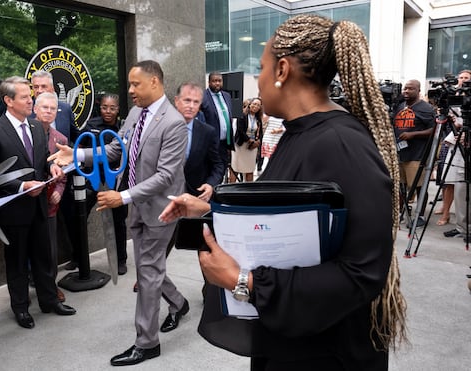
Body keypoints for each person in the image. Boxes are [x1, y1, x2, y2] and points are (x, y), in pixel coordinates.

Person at [159, 15, 406, 370]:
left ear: (283, 70)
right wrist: (208, 210)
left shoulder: (342, 143)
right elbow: (280, 214)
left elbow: (362, 273)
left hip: (327, 355)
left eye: (261, 68)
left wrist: (242, 281)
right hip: (292, 342)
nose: (257, 80)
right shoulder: (298, 133)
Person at [49, 60, 189, 366]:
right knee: (147, 268)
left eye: (135, 84)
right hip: (137, 208)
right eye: (130, 84)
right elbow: (117, 149)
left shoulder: (174, 123)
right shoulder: (137, 114)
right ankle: (178, 303)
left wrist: (121, 196)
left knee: (148, 273)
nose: (130, 91)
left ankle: (147, 342)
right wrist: (78, 154)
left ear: (154, 82)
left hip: (161, 209)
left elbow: (165, 176)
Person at [0, 76, 75, 330]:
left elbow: (42, 160)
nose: (31, 100)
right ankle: (21, 308)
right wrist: (21, 187)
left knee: (44, 257)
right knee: (18, 262)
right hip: (13, 209)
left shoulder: (35, 128)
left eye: (30, 96)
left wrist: (52, 167)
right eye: (24, 97)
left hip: (40, 205)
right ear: (8, 101)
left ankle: (49, 300)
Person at [30, 70, 81, 270]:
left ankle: (51, 280)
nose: (40, 90)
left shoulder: (65, 113)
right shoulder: (25, 126)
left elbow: (74, 139)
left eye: (44, 86)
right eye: (36, 87)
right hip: (31, 193)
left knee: (53, 238)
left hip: (57, 189)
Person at [82, 93, 129, 275]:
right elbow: (81, 150)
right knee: (79, 216)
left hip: (115, 181)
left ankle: (121, 260)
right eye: (104, 107)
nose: (108, 112)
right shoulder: (91, 125)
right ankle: (79, 258)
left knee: (119, 221)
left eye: (112, 108)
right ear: (99, 107)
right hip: (93, 179)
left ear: (118, 109)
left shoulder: (124, 127)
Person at [33, 91, 68, 302]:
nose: (48, 111)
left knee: (51, 249)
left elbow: (65, 173)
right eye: (44, 107)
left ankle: (50, 287)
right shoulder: (26, 131)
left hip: (50, 202)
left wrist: (58, 191)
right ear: (35, 109)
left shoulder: (61, 139)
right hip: (28, 199)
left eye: (52, 108)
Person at [393, 79, 435, 226]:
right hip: (400, 154)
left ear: (418, 91)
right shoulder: (400, 106)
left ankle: (420, 216)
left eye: (410, 88)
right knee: (401, 186)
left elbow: (433, 130)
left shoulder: (426, 108)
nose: (406, 91)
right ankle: (401, 213)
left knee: (418, 186)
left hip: (417, 155)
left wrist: (413, 134)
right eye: (405, 88)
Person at [175, 82, 224, 201]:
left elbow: (218, 165)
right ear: (177, 101)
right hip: (165, 198)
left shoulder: (207, 132)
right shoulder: (162, 128)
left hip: (196, 197)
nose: (191, 106)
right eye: (187, 100)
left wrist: (210, 185)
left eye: (196, 102)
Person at [436, 70, 471, 226]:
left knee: (463, 184)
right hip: (452, 139)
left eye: (466, 78)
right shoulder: (454, 96)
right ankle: (447, 212)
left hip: (464, 141)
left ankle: (463, 224)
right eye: (461, 78)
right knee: (447, 180)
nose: (462, 81)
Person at [200, 71, 234, 173]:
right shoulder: (203, 97)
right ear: (209, 82)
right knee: (211, 171)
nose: (217, 83)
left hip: (225, 143)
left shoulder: (227, 96)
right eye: (214, 81)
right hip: (211, 143)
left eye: (219, 81)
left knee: (223, 169)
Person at [231, 97, 263, 182]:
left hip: (252, 147)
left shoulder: (258, 119)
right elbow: (240, 130)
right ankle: (231, 188)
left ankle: (248, 190)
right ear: (250, 105)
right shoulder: (242, 116)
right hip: (241, 145)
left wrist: (258, 142)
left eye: (258, 105)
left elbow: (260, 132)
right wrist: (249, 140)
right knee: (236, 168)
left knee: (250, 168)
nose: (256, 106)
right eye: (254, 104)